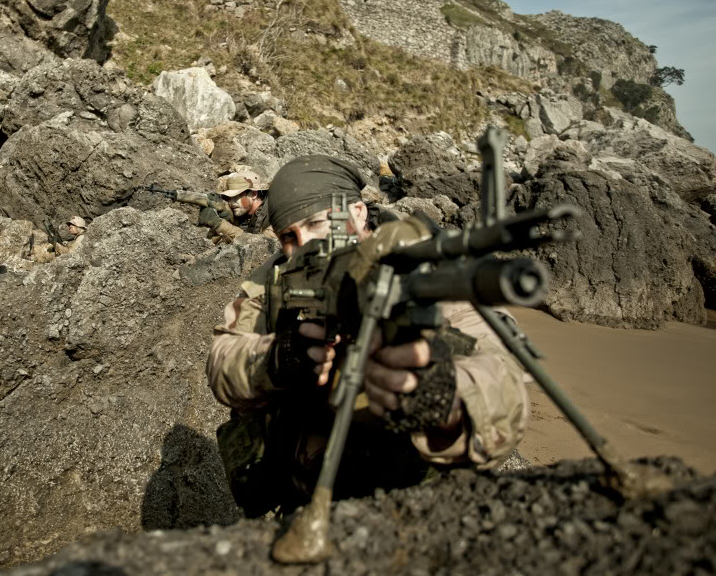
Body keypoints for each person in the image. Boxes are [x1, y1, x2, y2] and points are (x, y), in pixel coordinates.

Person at [205, 155, 528, 517]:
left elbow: (503, 376)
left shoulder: (419, 267)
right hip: (308, 495)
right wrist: (278, 357)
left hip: (412, 501)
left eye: (317, 223)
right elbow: (221, 359)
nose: (305, 245)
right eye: (289, 237)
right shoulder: (275, 278)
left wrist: (443, 395)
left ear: (357, 212)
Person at [197, 170, 276, 244]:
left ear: (254, 194)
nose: (231, 202)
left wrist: (220, 224)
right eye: (229, 198)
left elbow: (258, 245)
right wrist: (225, 218)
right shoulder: (245, 216)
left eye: (236, 196)